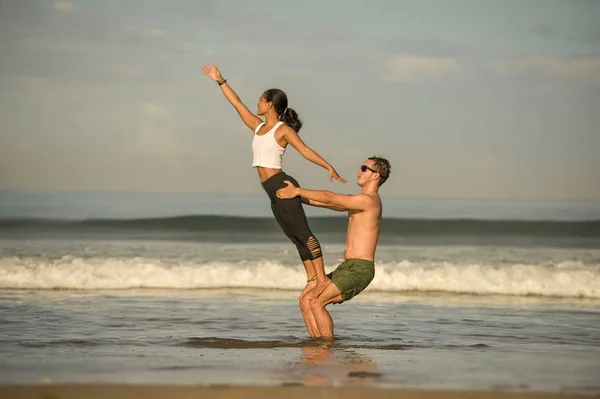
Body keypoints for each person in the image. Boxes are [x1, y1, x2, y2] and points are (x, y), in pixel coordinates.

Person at [201, 63, 346, 335]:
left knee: (304, 233)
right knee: (295, 237)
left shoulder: (282, 129)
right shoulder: (257, 127)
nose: (256, 103)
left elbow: (305, 150)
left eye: (261, 100)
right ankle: (311, 278)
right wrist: (220, 81)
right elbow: (237, 104)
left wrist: (328, 167)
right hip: (271, 191)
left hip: (282, 185)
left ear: (270, 105)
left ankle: (322, 279)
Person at [276, 156, 391, 339]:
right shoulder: (359, 201)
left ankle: (327, 348)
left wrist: (297, 190)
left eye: (364, 168)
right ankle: (317, 346)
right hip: (347, 267)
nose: (358, 171)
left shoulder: (369, 201)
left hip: (360, 269)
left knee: (316, 302)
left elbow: (329, 196)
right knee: (305, 300)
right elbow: (328, 203)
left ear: (376, 176)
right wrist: (295, 198)